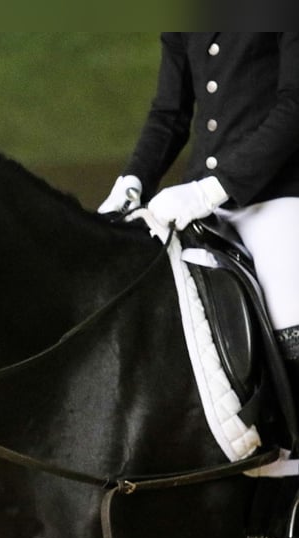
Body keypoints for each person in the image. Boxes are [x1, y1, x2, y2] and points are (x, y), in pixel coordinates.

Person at [98, 33, 299, 394]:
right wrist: (132, 183)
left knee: (290, 324)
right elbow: (169, 112)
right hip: (197, 201)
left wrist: (216, 187)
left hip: (276, 193)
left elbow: (294, 105)